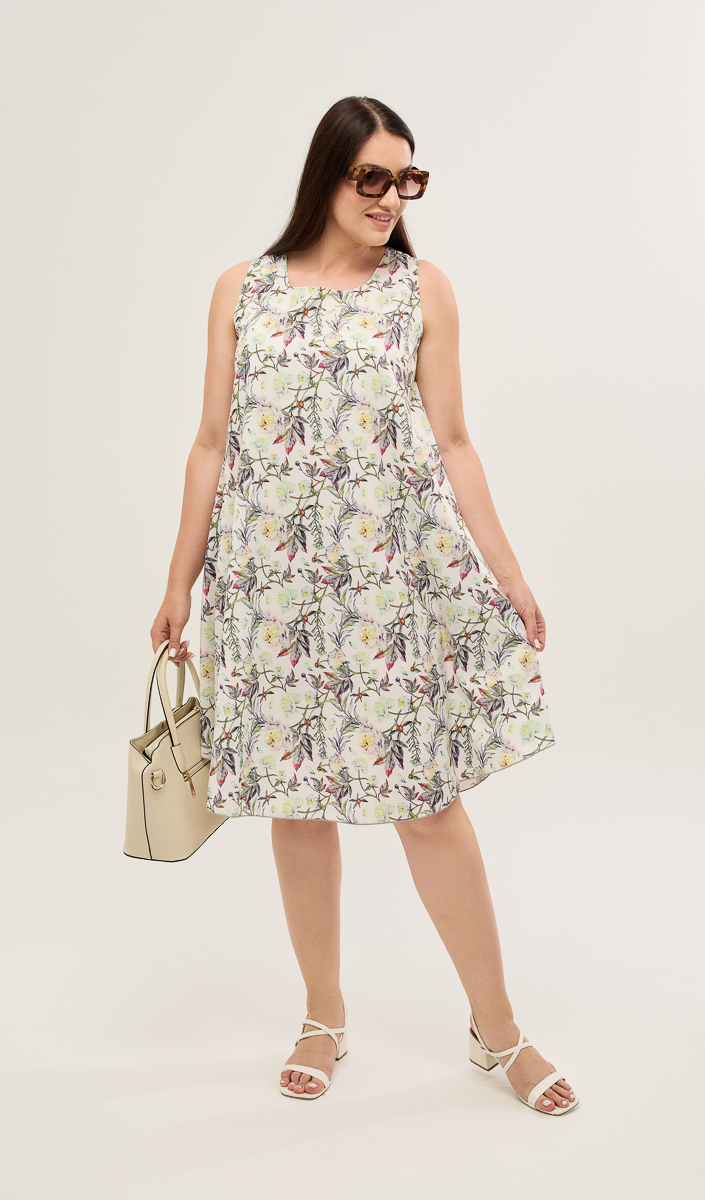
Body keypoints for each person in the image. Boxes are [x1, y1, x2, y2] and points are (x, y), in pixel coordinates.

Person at [150, 96, 575, 1115]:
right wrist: (178, 581)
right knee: (297, 809)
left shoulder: (421, 290)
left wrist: (512, 575)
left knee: (427, 808)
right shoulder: (242, 289)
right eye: (372, 178)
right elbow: (210, 441)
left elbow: (454, 441)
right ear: (327, 177)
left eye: (407, 180)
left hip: (388, 587)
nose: (392, 198)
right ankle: (323, 1014)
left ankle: (498, 1029)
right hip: (267, 588)